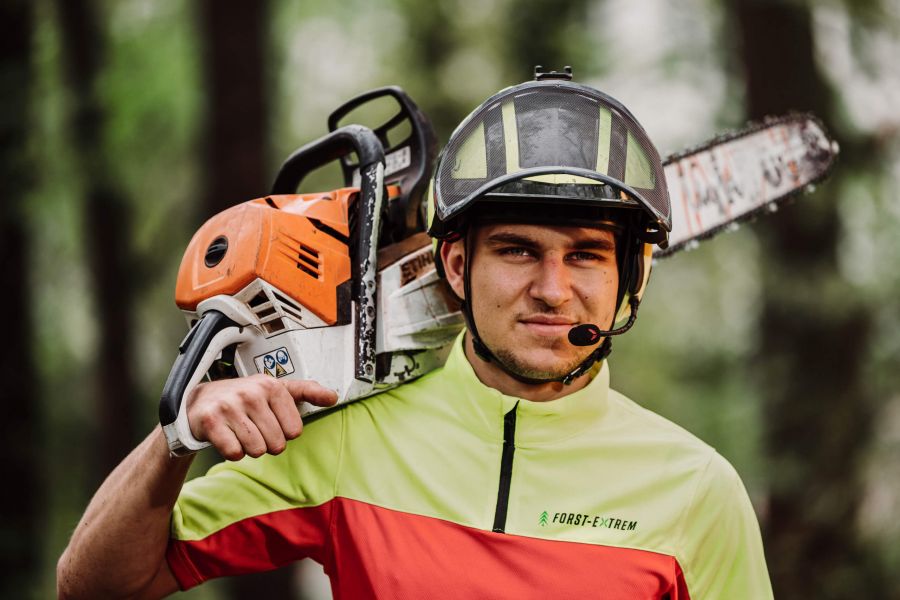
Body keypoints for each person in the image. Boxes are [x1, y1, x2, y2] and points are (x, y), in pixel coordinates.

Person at [58, 74, 773, 599]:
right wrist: (173, 439)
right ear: (457, 266)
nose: (554, 288)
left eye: (585, 253)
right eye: (518, 250)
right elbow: (95, 587)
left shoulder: (697, 491)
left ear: (631, 277)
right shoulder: (348, 440)